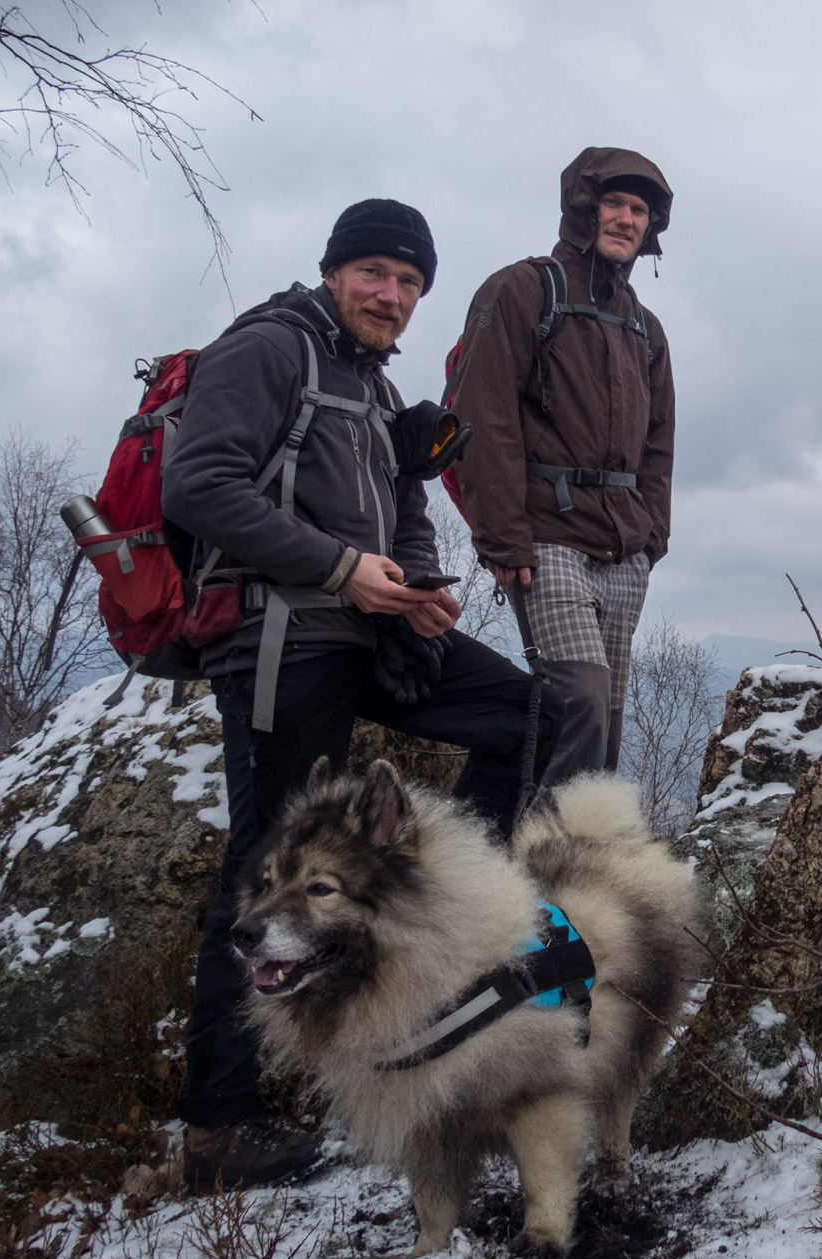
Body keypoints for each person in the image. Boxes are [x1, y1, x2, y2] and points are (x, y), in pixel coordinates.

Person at [162, 199, 533, 1189]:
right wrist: (337, 569)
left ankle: (433, 935)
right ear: (334, 271)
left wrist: (413, 587)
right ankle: (219, 1131)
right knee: (262, 866)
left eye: (410, 282)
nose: (392, 294)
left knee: (524, 714)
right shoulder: (269, 347)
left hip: (369, 630)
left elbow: (408, 506)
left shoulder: (371, 383)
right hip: (281, 637)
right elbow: (197, 485)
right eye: (374, 272)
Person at [447, 147, 675, 790]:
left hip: (624, 543)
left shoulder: (646, 328)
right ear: (582, 206)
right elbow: (481, 414)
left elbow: (660, 444)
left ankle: (582, 868)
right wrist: (502, 535)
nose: (627, 219)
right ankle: (539, 862)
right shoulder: (521, 290)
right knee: (577, 696)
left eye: (640, 210)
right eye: (614, 203)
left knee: (605, 715)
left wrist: (653, 537)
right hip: (543, 535)